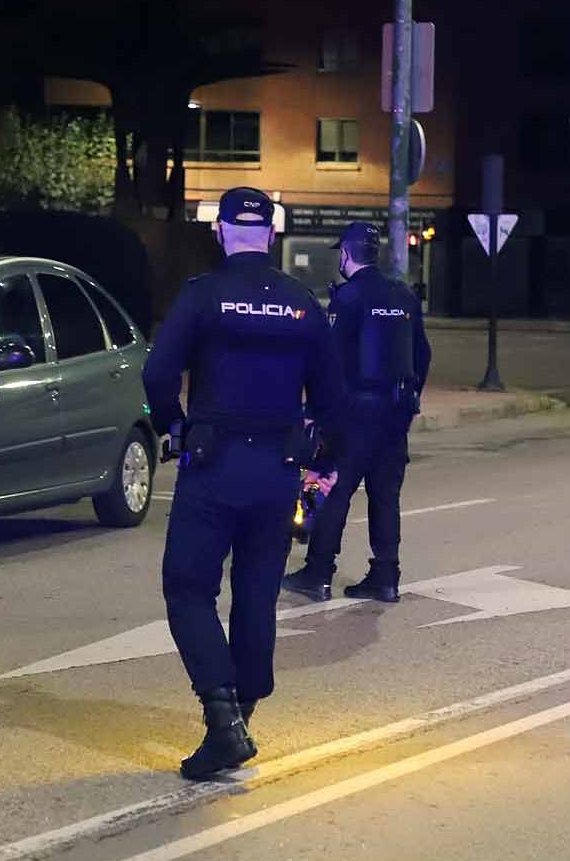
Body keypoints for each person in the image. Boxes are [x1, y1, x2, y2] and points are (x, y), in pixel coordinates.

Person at [143, 187, 345, 780]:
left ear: (223, 231)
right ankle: (242, 716)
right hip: (278, 471)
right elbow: (333, 400)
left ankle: (223, 718)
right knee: (256, 595)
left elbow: (158, 372)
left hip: (213, 467)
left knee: (187, 588)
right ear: (273, 234)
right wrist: (321, 468)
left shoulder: (203, 297)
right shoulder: (302, 303)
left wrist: (172, 427)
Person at [282, 222, 432, 605]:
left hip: (353, 414)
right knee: (385, 496)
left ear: (346, 255)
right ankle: (385, 576)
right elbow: (423, 355)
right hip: (394, 413)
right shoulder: (404, 295)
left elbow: (329, 361)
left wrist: (315, 411)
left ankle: (318, 573)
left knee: (333, 492)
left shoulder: (348, 299)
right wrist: (409, 397)